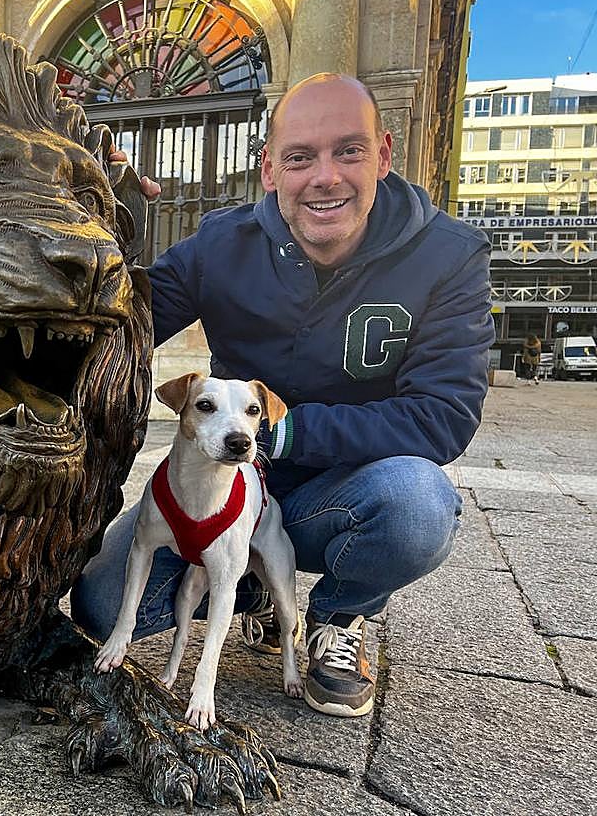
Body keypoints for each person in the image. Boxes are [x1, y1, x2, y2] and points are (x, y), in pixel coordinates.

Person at [75, 73, 494, 718]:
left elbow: (443, 416)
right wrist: (99, 217)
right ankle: (247, 586)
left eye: (347, 151)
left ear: (383, 154)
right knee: (99, 608)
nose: (324, 177)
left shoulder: (447, 256)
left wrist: (289, 431)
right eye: (300, 157)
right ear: (269, 169)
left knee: (418, 506)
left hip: (339, 492)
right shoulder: (222, 243)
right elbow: (125, 319)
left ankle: (337, 617)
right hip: (225, 490)